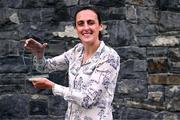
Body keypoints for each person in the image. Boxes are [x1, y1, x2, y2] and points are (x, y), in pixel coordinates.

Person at [24, 6, 120, 120]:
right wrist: (39, 54)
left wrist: (53, 86)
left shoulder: (109, 57)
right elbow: (44, 67)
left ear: (100, 26)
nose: (86, 27)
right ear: (76, 29)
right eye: (80, 23)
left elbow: (88, 99)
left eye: (91, 22)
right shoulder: (76, 51)